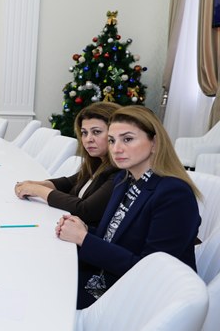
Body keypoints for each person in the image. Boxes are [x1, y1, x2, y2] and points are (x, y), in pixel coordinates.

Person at [55, 105, 201, 309]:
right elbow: (115, 237)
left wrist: (83, 238)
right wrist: (84, 229)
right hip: (107, 280)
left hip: (139, 302)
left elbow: (152, 272)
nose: (116, 149)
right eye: (112, 140)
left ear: (154, 143)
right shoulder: (124, 180)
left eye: (128, 139)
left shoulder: (174, 194)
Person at [14, 102, 120, 227]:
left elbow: (85, 210)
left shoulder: (119, 171)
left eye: (96, 132)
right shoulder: (97, 160)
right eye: (84, 133)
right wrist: (36, 184)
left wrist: (37, 190)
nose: (88, 139)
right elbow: (69, 183)